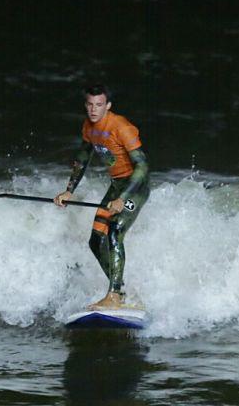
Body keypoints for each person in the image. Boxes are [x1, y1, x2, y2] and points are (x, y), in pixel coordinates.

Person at [54, 84, 150, 310]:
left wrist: (122, 197)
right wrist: (69, 190)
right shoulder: (88, 126)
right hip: (116, 186)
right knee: (96, 241)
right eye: (89, 104)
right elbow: (82, 157)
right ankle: (121, 290)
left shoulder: (121, 127)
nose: (93, 110)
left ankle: (114, 295)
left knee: (115, 230)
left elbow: (143, 166)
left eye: (99, 105)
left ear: (108, 106)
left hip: (134, 188)